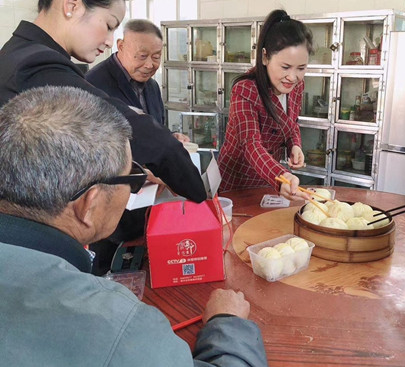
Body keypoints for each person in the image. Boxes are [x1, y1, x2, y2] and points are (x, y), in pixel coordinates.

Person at [0, 86, 268, 366]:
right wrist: (228, 323)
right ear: (88, 205)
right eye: (131, 175)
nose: (135, 185)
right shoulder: (117, 326)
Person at [0, 0, 205, 203]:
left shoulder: (16, 51)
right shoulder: (38, 65)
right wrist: (199, 194)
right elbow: (118, 121)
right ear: (72, 5)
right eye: (108, 26)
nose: (109, 41)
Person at [218, 9, 313, 200]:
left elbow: (292, 122)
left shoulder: (296, 86)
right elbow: (250, 144)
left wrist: (295, 145)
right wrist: (282, 176)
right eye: (285, 67)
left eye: (301, 68)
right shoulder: (245, 89)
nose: (293, 77)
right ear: (265, 57)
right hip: (237, 182)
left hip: (269, 178)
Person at [86, 19, 188, 145]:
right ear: (121, 46)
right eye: (142, 56)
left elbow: (155, 127)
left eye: (156, 57)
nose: (150, 65)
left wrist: (169, 137)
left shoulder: (152, 86)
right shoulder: (93, 84)